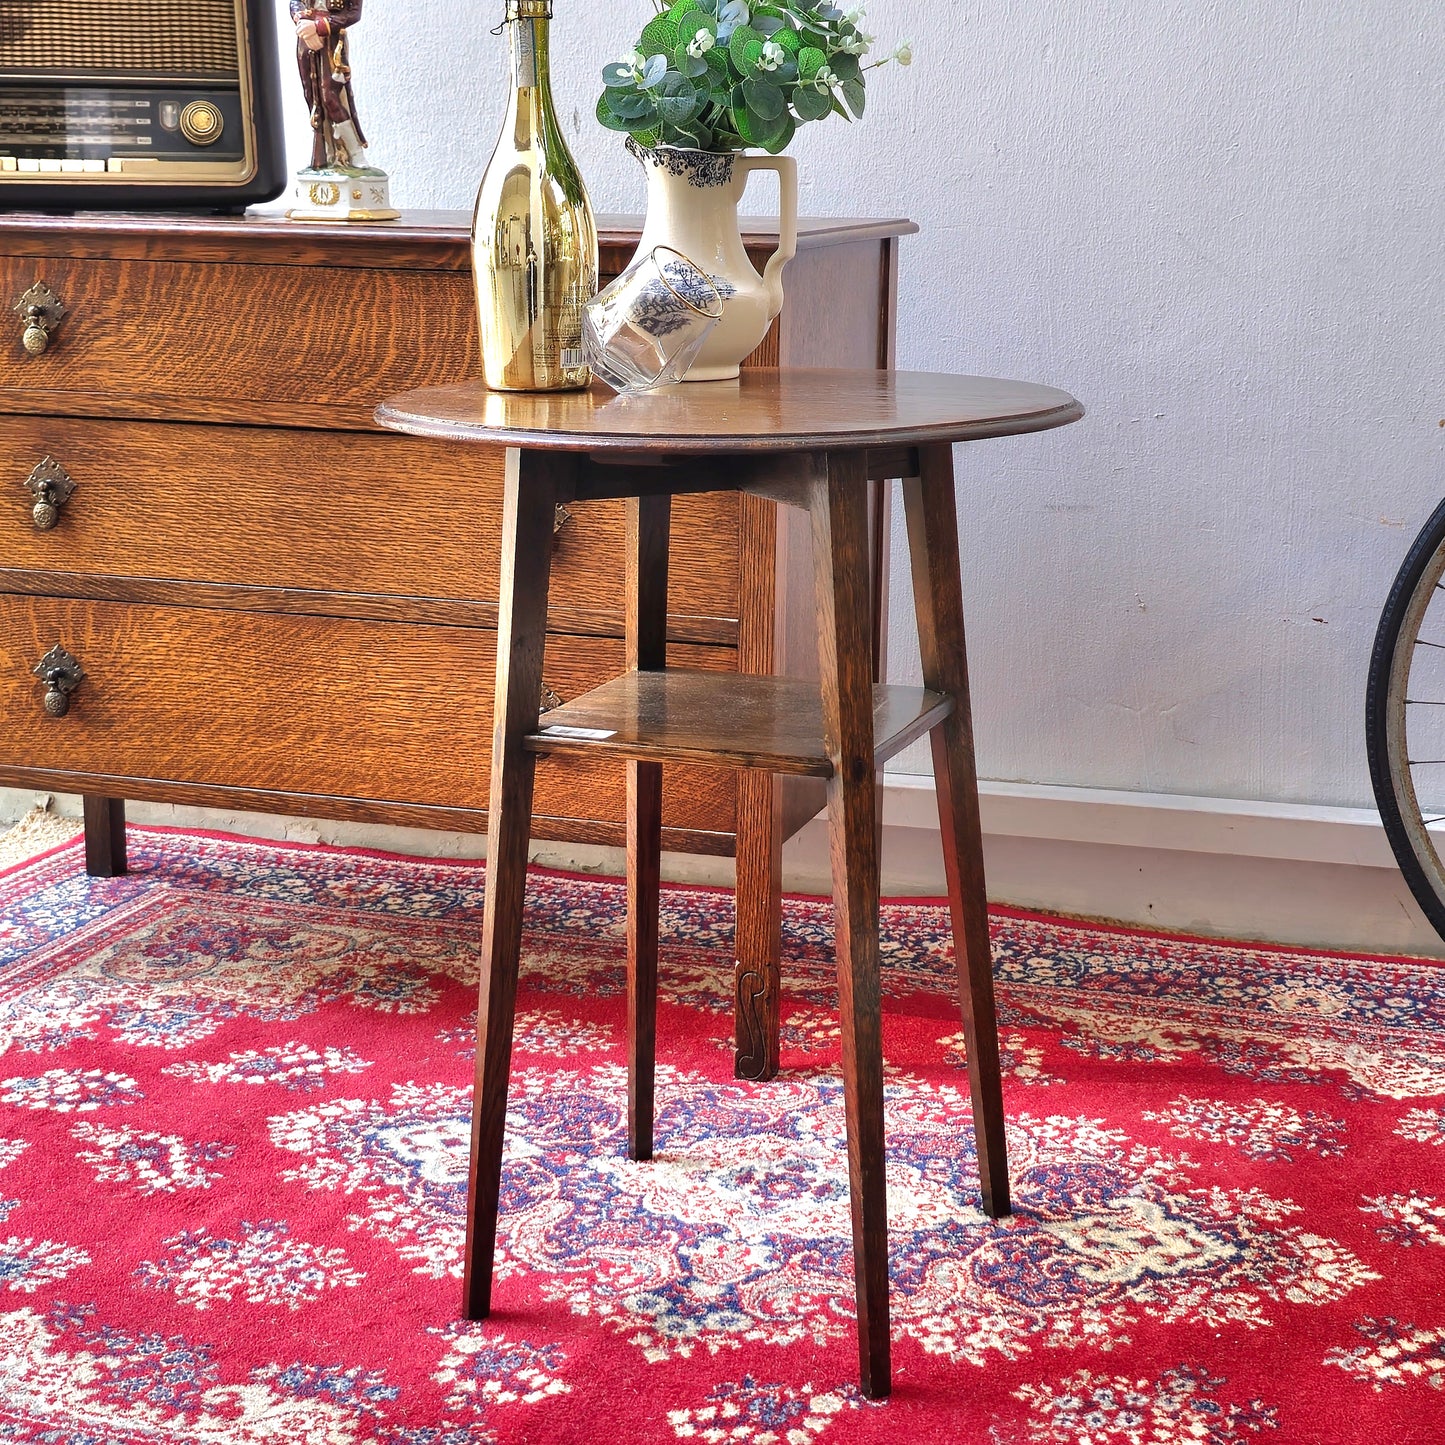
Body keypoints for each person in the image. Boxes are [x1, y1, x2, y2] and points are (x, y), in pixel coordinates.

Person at [291, 1, 371, 171]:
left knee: (330, 97)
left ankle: (354, 152)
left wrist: (319, 27)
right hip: (305, 36)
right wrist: (304, 25)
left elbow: (352, 13)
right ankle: (328, 151)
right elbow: (295, 3)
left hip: (333, 39)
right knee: (312, 96)